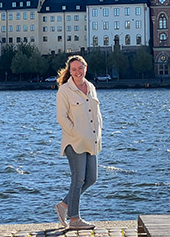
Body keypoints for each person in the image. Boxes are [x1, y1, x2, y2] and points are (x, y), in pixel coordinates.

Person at [54, 55, 102, 230]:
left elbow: (96, 115)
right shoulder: (64, 91)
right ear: (69, 71)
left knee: (91, 178)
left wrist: (98, 135)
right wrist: (75, 133)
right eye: (73, 69)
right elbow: (61, 117)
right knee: (78, 179)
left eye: (80, 68)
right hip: (74, 142)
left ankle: (64, 205)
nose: (77, 72)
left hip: (91, 141)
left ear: (85, 68)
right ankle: (74, 219)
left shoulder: (91, 87)